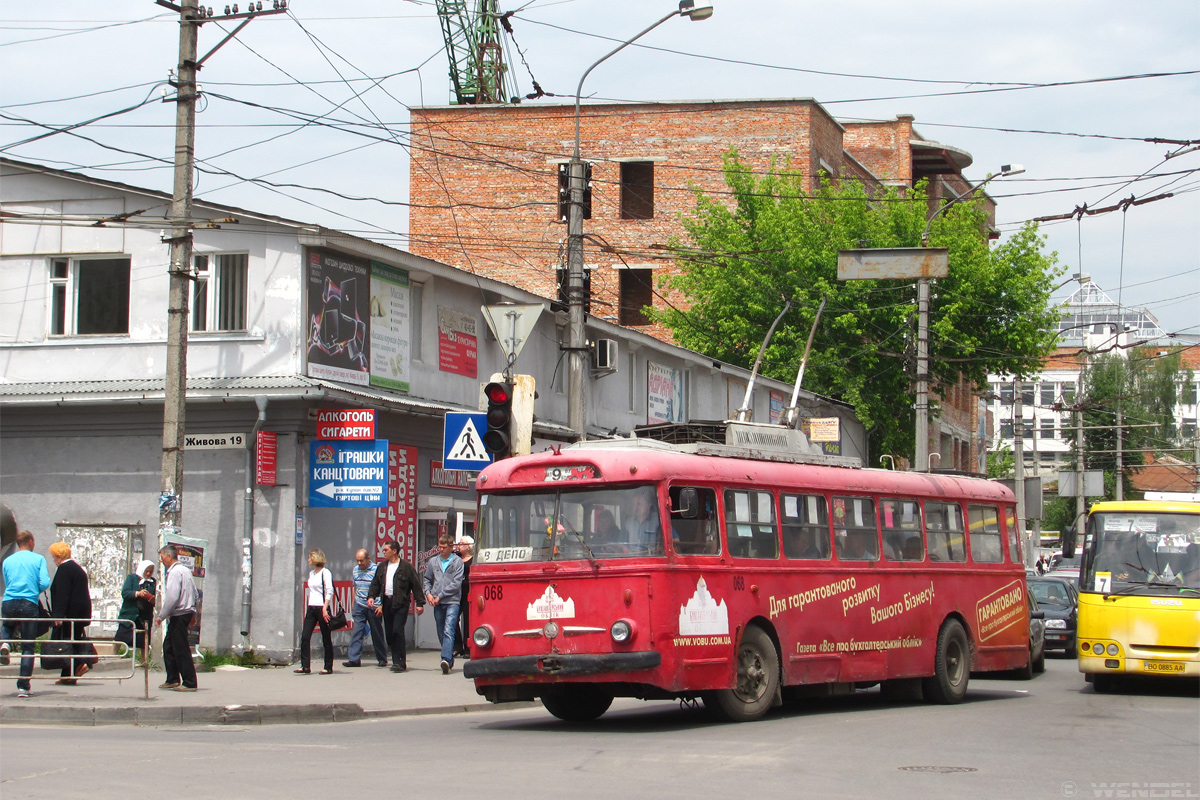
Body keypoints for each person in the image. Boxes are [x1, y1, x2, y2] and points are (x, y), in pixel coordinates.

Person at [1, 530, 51, 697]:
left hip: (9, 601)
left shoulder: (8, 561)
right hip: (29, 602)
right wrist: (33, 588)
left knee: (7, 625)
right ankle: (23, 687)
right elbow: (44, 583)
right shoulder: (38, 559)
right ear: (30, 541)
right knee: (28, 647)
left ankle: (5, 644)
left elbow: (7, 582)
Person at [366, 540, 425, 672]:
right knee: (389, 633)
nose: (384, 552)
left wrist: (419, 603)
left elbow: (416, 586)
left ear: (394, 551)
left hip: (401, 603)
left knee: (397, 630)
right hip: (386, 602)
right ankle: (395, 659)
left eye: (386, 549)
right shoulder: (382, 567)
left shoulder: (406, 567)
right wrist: (371, 597)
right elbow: (375, 583)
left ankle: (400, 662)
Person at [48, 542, 95, 685]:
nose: (53, 560)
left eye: (53, 557)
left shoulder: (64, 569)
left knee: (66, 644)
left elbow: (63, 594)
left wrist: (58, 615)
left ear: (58, 556)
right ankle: (68, 675)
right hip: (80, 614)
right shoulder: (77, 569)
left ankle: (82, 663)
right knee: (72, 642)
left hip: (69, 615)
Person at [156, 544, 199, 692]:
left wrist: (161, 616)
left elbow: (172, 596)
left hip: (179, 614)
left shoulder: (174, 572)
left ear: (169, 556)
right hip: (185, 612)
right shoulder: (186, 571)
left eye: (162, 557)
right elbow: (195, 593)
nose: (161, 561)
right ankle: (172, 679)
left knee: (180, 648)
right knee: (168, 646)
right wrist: (194, 613)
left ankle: (189, 682)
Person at [423, 534, 465, 675]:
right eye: (439, 547)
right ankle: (449, 658)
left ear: (451, 547)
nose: (441, 549)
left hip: (451, 601)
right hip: (437, 602)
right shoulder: (433, 561)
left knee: (449, 630)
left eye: (444, 547)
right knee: (441, 632)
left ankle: (445, 658)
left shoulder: (457, 562)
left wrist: (440, 596)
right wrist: (428, 593)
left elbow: (456, 583)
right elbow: (427, 579)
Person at [344, 549, 387, 668]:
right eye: (357, 560)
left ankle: (382, 658)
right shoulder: (355, 570)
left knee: (376, 632)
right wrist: (354, 602)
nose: (359, 563)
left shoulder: (377, 570)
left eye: (361, 561)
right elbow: (355, 587)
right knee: (357, 631)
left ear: (368, 559)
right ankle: (354, 659)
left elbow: (383, 588)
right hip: (360, 604)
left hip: (374, 605)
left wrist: (381, 605)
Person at [297, 549, 335, 675]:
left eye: (309, 558)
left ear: (315, 559)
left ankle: (328, 666)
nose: (308, 560)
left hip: (321, 607)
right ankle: (305, 666)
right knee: (305, 636)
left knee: (326, 637)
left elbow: (329, 590)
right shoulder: (311, 573)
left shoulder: (325, 573)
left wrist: (325, 607)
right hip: (312, 607)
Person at [117, 560, 156, 656]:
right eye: (146, 571)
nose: (148, 574)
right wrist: (137, 593)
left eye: (150, 572)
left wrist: (152, 599)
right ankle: (112, 656)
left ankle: (144, 662)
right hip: (130, 615)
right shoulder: (132, 578)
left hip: (143, 617)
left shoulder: (152, 582)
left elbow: (156, 597)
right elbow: (125, 593)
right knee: (120, 638)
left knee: (143, 642)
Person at [623, 488, 663, 554]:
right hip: (631, 559)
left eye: (639, 503)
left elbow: (674, 540)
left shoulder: (659, 520)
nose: (635, 507)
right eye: (634, 504)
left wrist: (660, 548)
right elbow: (621, 544)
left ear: (649, 505)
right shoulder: (628, 523)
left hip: (652, 559)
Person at [454, 536, 474, 658]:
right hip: (456, 592)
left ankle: (468, 648)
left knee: (468, 619)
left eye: (462, 543)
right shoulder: (456, 558)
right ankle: (457, 646)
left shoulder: (473, 559)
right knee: (453, 618)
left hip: (468, 592)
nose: (459, 545)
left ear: (468, 546)